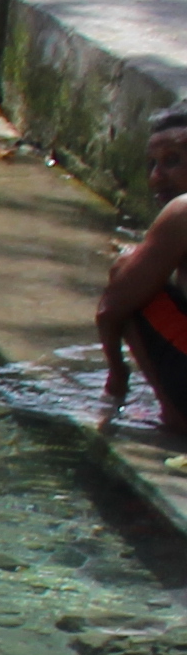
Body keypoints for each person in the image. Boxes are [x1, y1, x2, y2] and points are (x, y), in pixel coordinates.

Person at [101, 103, 187, 430]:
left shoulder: (183, 211)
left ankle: (175, 417)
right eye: (152, 165)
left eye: (172, 160)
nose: (156, 179)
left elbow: (109, 311)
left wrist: (117, 377)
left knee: (126, 269)